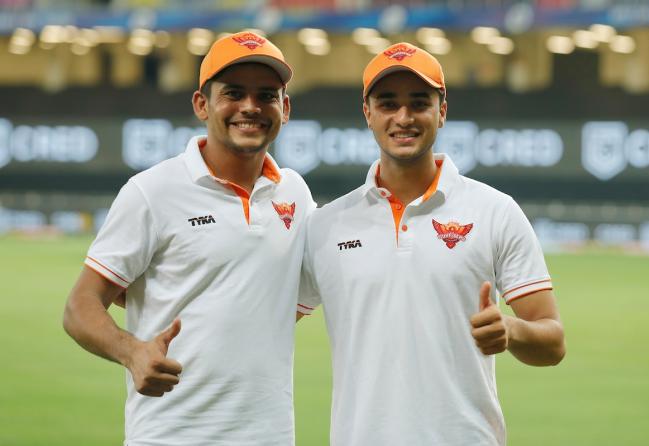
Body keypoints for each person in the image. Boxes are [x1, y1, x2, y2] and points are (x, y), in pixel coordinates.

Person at [297, 42, 566, 446]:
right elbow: (261, 321)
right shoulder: (325, 225)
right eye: (388, 103)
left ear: (441, 111)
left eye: (419, 103)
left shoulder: (495, 211)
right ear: (367, 113)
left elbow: (553, 341)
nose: (403, 117)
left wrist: (510, 330)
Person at [63, 31, 314, 445]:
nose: (250, 107)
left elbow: (314, 290)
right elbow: (79, 306)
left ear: (284, 108)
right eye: (233, 93)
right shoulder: (152, 191)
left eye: (266, 95)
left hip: (268, 436)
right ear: (202, 104)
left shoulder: (296, 195)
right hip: (170, 436)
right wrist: (133, 351)